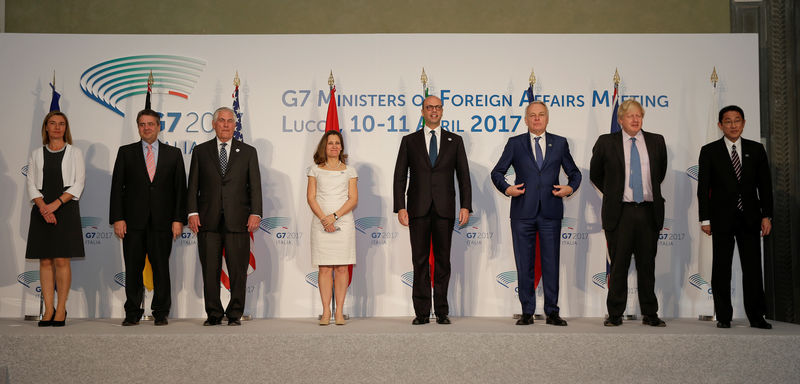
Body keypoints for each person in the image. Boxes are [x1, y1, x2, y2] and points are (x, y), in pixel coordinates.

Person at [490, 101, 581, 326]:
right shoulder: (515, 143)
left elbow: (575, 173)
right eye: (532, 115)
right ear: (526, 119)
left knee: (551, 263)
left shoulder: (559, 143)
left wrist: (570, 188)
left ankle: (552, 312)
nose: (537, 119)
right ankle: (527, 311)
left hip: (550, 212)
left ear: (547, 118)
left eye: (541, 115)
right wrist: (507, 188)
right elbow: (497, 172)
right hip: (523, 213)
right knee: (524, 264)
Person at [393, 95, 472, 325]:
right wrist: (400, 206)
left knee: (442, 262)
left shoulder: (454, 140)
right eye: (429, 107)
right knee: (419, 261)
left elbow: (464, 177)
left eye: (437, 107)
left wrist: (466, 205)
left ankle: (442, 311)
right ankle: (421, 312)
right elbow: (399, 177)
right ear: (422, 111)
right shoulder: (410, 141)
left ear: (442, 111)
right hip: (417, 208)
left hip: (445, 209)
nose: (433, 111)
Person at [589, 99, 667, 327]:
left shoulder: (656, 141)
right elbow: (596, 174)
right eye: (630, 116)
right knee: (619, 265)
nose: (635, 119)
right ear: (620, 120)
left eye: (638, 115)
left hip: (648, 211)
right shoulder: (606, 142)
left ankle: (650, 314)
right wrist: (615, 193)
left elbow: (659, 173)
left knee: (647, 266)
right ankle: (615, 314)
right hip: (619, 212)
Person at [697, 105, 773, 329]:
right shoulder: (709, 151)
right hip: (721, 219)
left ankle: (757, 317)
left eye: (737, 120)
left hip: (751, 217)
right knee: (721, 268)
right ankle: (723, 316)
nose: (733, 125)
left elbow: (765, 187)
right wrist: (705, 219)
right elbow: (703, 189)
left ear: (743, 123)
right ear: (720, 125)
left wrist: (767, 216)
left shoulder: (756, 149)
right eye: (728, 121)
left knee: (752, 269)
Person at [109, 109, 187, 326]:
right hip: (132, 222)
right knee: (133, 268)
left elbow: (180, 189)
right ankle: (132, 312)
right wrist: (118, 218)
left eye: (151, 124)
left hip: (163, 222)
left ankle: (161, 312)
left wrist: (178, 219)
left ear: (159, 126)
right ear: (138, 127)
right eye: (142, 124)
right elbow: (117, 188)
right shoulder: (126, 152)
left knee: (161, 268)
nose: (147, 128)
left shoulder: (174, 154)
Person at [187, 107, 262, 326]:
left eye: (230, 121)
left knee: (238, 271)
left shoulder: (248, 152)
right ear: (213, 124)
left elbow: (255, 186)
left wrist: (255, 213)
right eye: (222, 120)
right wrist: (192, 212)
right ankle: (213, 314)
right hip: (207, 220)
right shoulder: (201, 151)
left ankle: (234, 313)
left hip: (238, 220)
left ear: (235, 125)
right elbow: (193, 186)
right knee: (210, 270)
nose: (226, 124)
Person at [25, 111, 85, 327]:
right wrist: (44, 207)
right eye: (53, 123)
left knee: (61, 259)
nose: (57, 127)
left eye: (61, 124)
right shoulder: (36, 153)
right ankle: (48, 309)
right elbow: (31, 183)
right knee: (45, 260)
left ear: (65, 128)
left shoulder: (75, 152)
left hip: (65, 209)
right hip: (42, 210)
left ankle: (61, 309)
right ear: (46, 127)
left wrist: (55, 205)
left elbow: (79, 183)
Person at [306, 130, 358, 325]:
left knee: (343, 268)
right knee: (325, 268)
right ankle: (326, 311)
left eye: (337, 143)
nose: (334, 146)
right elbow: (311, 197)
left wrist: (334, 217)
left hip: (343, 222)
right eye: (330, 143)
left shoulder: (350, 170)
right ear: (324, 147)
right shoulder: (315, 170)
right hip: (321, 223)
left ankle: (340, 312)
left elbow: (353, 199)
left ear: (342, 147)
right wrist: (324, 219)